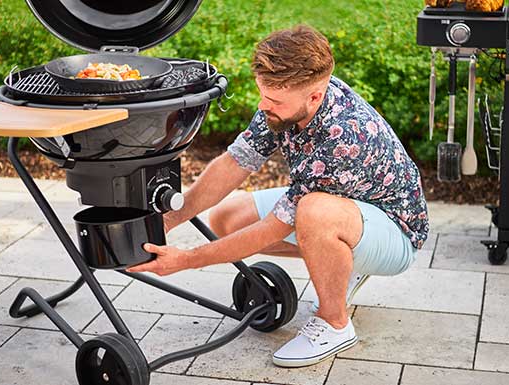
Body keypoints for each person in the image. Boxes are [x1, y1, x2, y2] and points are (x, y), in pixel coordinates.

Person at [127, 24, 429, 367]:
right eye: (263, 94)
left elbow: (274, 227)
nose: (263, 104)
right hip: (346, 207)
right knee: (227, 220)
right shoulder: (286, 101)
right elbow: (234, 162)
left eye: (273, 100)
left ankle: (335, 323)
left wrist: (187, 259)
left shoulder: (342, 136)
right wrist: (171, 219)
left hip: (394, 231)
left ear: (314, 97)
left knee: (313, 213)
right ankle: (337, 263)